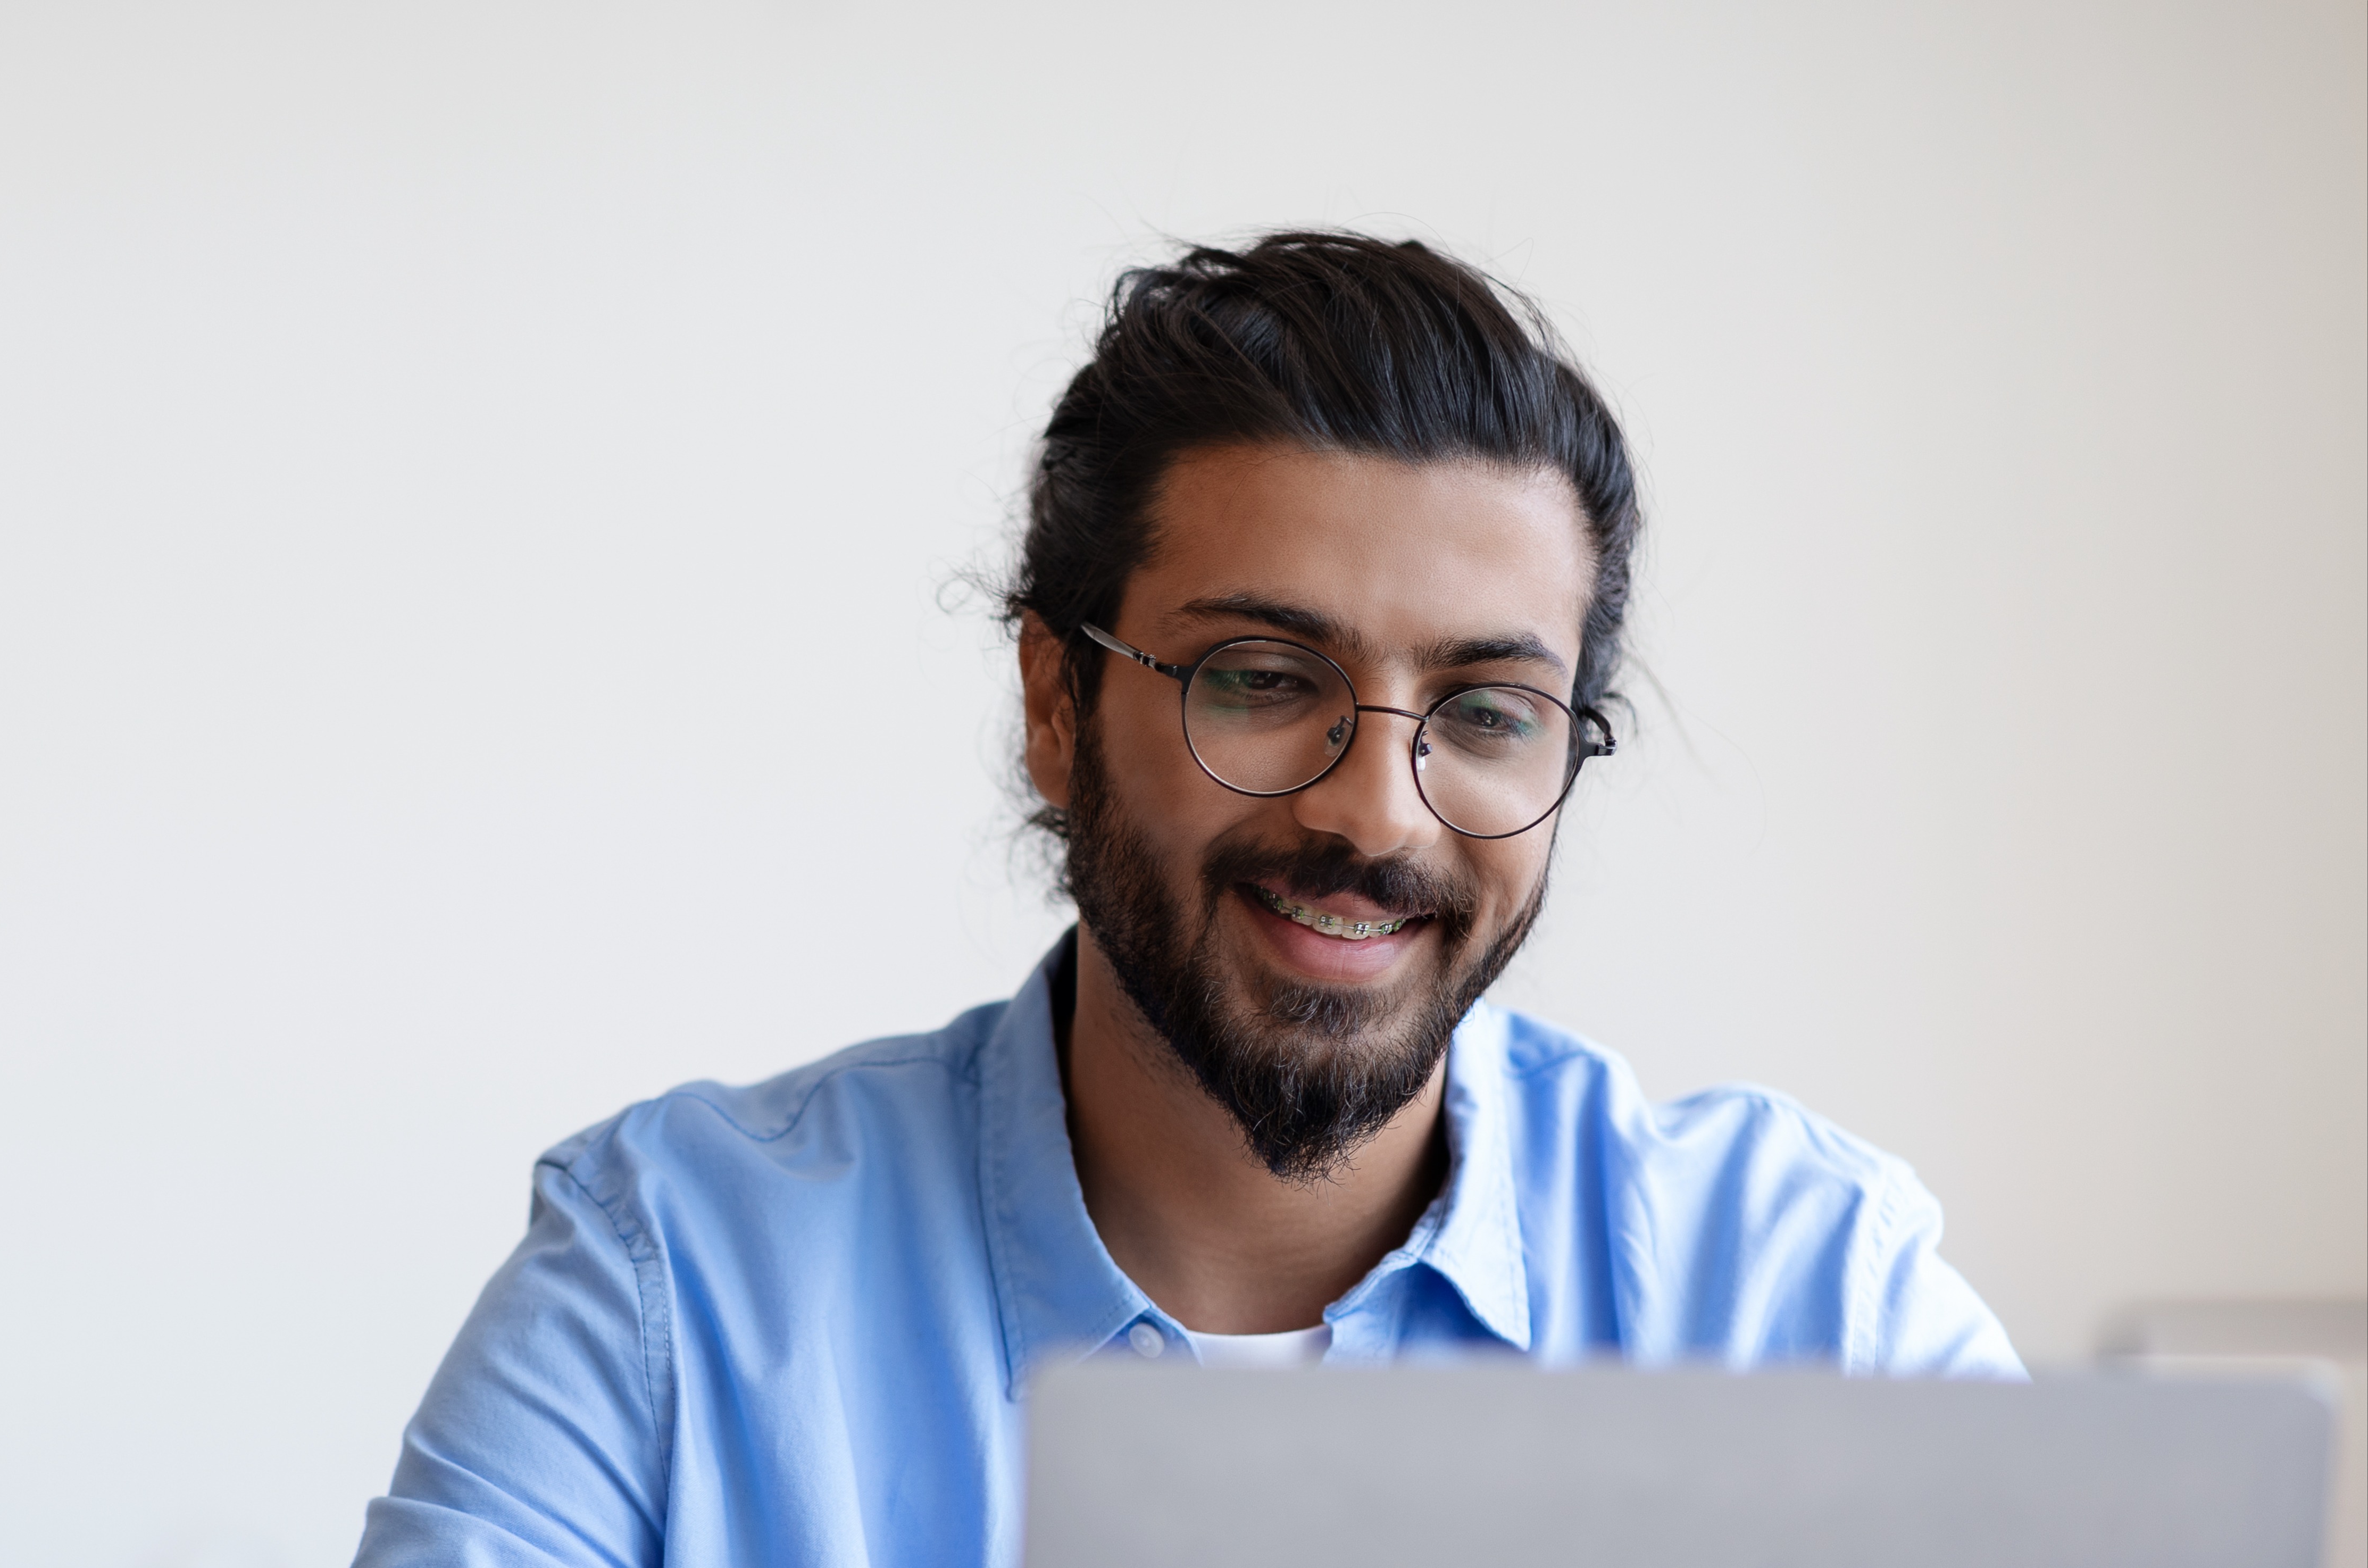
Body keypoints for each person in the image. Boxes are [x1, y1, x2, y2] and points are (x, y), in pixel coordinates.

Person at [349, 232, 2021, 1568]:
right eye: (1259, 677)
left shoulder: (1808, 1294)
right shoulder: (674, 1287)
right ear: (1058, 706)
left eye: (1490, 711)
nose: (1374, 808)